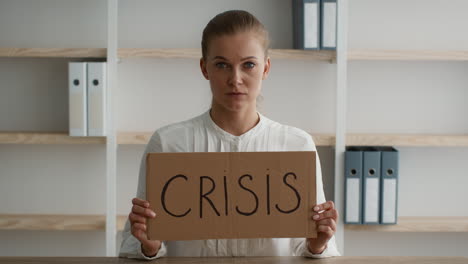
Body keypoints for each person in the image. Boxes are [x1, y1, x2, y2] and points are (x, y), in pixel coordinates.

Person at [119, 10, 341, 259]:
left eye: (249, 65)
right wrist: (149, 246)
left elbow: (312, 249)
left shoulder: (297, 145)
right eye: (222, 65)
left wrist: (318, 245)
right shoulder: (168, 144)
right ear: (205, 68)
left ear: (265, 68)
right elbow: (131, 246)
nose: (235, 79)